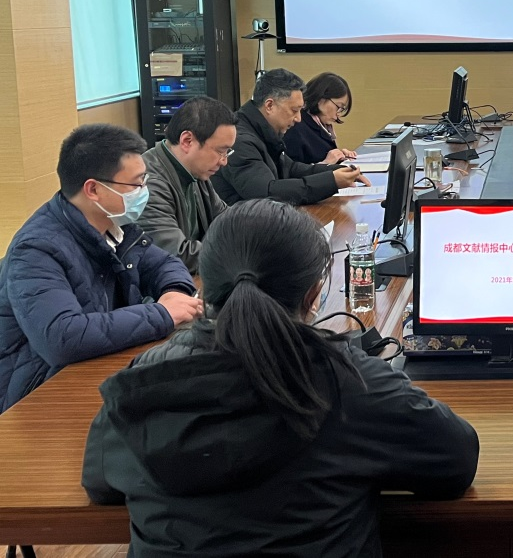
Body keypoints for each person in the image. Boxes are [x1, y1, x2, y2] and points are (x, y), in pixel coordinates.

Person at [82, 199, 479, 556]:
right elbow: (455, 462)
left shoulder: (145, 382)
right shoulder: (351, 383)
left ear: (206, 287)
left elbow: (100, 483)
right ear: (314, 294)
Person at [0, 124, 202, 412]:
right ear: (93, 189)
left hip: (97, 370)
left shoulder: (115, 225)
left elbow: (165, 263)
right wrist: (162, 314)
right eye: (136, 184)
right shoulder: (36, 250)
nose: (143, 192)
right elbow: (62, 337)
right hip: (39, 396)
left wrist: (174, 292)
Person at [212, 68, 367, 206]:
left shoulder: (263, 130)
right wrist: (331, 181)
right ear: (269, 105)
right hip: (242, 225)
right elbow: (266, 193)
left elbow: (291, 169)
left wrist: (338, 171)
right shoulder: (239, 139)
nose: (299, 118)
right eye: (294, 110)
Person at [139, 96, 237, 273]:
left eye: (227, 152)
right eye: (220, 151)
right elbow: (178, 255)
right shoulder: (148, 184)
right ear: (187, 141)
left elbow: (229, 222)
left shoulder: (196, 173)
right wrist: (245, 251)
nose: (224, 161)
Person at [284, 71, 359, 165]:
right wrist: (325, 163)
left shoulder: (319, 125)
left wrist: (339, 157)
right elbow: (290, 170)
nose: (338, 114)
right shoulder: (296, 127)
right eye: (339, 107)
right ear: (321, 99)